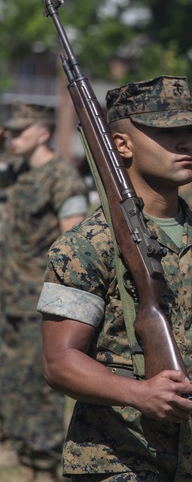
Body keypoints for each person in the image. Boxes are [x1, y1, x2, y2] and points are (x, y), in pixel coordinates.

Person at [37, 76, 192, 480]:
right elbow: (58, 362)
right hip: (118, 459)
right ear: (122, 145)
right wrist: (138, 394)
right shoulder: (86, 245)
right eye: (167, 133)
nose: (186, 143)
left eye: (189, 131)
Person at [0, 101, 89, 479]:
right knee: (12, 383)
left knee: (39, 386)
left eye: (19, 132)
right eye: (9, 132)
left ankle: (45, 462)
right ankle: (21, 454)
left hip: (39, 302)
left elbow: (74, 245)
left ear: (43, 132)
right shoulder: (13, 174)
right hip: (8, 299)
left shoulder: (62, 179)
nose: (11, 139)